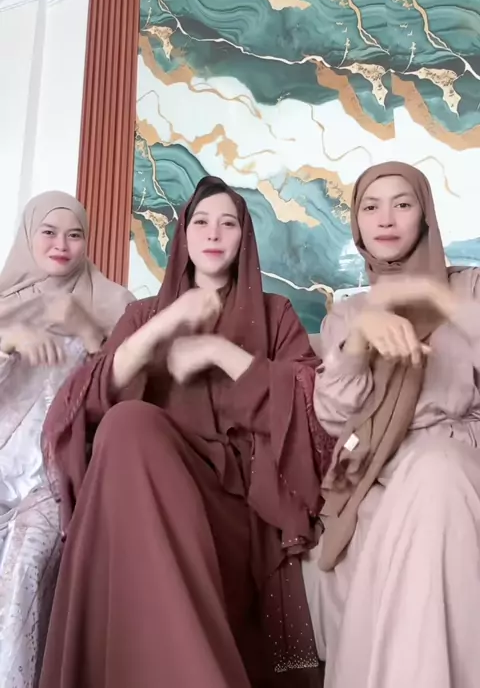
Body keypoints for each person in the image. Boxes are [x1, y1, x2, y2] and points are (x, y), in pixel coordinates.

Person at [39, 176, 334, 688]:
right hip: (145, 491)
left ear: (244, 236)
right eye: (200, 221)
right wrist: (166, 323)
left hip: (233, 504)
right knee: (128, 425)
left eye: (228, 223)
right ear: (183, 234)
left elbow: (313, 412)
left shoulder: (276, 314)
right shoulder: (142, 314)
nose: (213, 233)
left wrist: (219, 352)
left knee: (130, 434)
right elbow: (79, 408)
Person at [303, 161, 480, 688]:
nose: (385, 218)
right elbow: (334, 417)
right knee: (398, 503)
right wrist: (361, 335)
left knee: (435, 472)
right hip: (375, 470)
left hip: (462, 454)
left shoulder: (470, 287)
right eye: (370, 207)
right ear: (357, 225)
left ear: (425, 216)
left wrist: (434, 298)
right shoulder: (348, 312)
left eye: (402, 204)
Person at [0, 191, 134, 688]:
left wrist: (87, 330)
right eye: (49, 233)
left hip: (58, 477)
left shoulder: (116, 304)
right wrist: (7, 341)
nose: (62, 245)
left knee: (27, 562)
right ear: (28, 235)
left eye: (74, 234)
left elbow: (129, 395)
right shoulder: (3, 303)